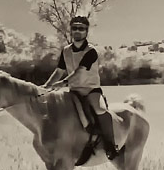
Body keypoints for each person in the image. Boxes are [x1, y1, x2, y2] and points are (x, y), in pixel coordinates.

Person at [43, 15, 120, 161]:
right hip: (73, 91)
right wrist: (46, 86)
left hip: (91, 90)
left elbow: (80, 71)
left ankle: (110, 145)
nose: (78, 31)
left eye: (81, 28)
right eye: (75, 28)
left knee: (100, 110)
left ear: (86, 32)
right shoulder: (66, 51)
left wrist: (64, 82)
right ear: (71, 31)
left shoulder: (91, 51)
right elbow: (59, 71)